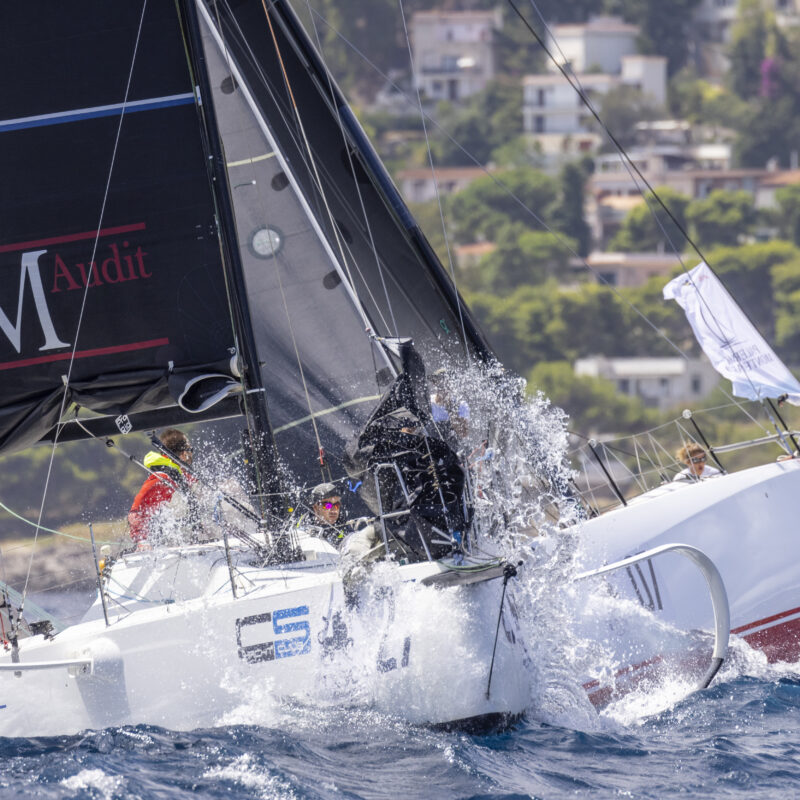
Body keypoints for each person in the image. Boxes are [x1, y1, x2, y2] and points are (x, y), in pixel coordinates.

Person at [128, 428, 197, 544]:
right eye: (190, 449)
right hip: (161, 543)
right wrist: (141, 541)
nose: (191, 454)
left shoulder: (180, 475)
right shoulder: (162, 478)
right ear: (184, 454)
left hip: (183, 540)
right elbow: (136, 512)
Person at [303, 482, 345, 548]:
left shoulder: (345, 528)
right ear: (315, 508)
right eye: (328, 505)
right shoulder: (302, 528)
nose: (334, 510)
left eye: (337, 505)